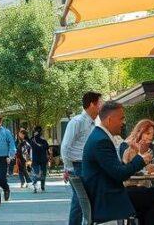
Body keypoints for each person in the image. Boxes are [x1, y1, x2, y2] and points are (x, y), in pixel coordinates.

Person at [81, 101, 154, 225]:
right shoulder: (101, 141)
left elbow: (116, 170)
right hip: (107, 199)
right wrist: (141, 158)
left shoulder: (99, 137)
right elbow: (120, 174)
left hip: (106, 194)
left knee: (153, 205)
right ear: (109, 120)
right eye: (121, 118)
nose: (123, 123)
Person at [62, 90, 103, 225]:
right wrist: (68, 168)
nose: (101, 106)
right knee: (80, 201)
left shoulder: (94, 123)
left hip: (88, 166)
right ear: (92, 104)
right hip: (79, 166)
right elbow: (65, 146)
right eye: (100, 103)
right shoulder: (77, 121)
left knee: (85, 201)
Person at [29, 126, 50, 193]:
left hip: (36, 159)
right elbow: (47, 149)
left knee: (36, 173)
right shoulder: (43, 141)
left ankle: (36, 186)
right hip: (42, 159)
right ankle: (41, 185)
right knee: (42, 173)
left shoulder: (32, 140)